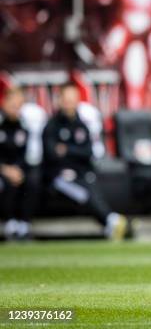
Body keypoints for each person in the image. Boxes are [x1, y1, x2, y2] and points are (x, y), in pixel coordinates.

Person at [42, 83, 127, 240]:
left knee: (90, 187)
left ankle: (110, 222)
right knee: (83, 193)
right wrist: (73, 152)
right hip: (60, 176)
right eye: (66, 99)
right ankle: (111, 220)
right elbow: (51, 154)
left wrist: (66, 149)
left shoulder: (82, 125)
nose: (69, 104)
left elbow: (88, 152)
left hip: (82, 173)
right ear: (59, 101)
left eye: (73, 100)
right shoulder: (51, 126)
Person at [0, 87, 40, 240]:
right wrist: (5, 169)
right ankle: (9, 222)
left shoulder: (23, 126)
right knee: (5, 184)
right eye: (13, 104)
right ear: (4, 102)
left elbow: (24, 154)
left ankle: (24, 223)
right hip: (2, 170)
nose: (16, 109)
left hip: (16, 169)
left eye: (19, 105)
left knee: (32, 181)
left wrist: (17, 169)